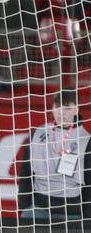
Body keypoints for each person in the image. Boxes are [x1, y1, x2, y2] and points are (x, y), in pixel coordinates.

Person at [18, 88, 91, 220]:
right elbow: (26, 173)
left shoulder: (86, 140)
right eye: (57, 106)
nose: (61, 112)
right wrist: (24, 206)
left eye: (67, 107)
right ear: (52, 108)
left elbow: (89, 182)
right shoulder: (37, 134)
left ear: (76, 109)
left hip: (72, 211)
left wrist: (87, 217)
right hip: (40, 207)